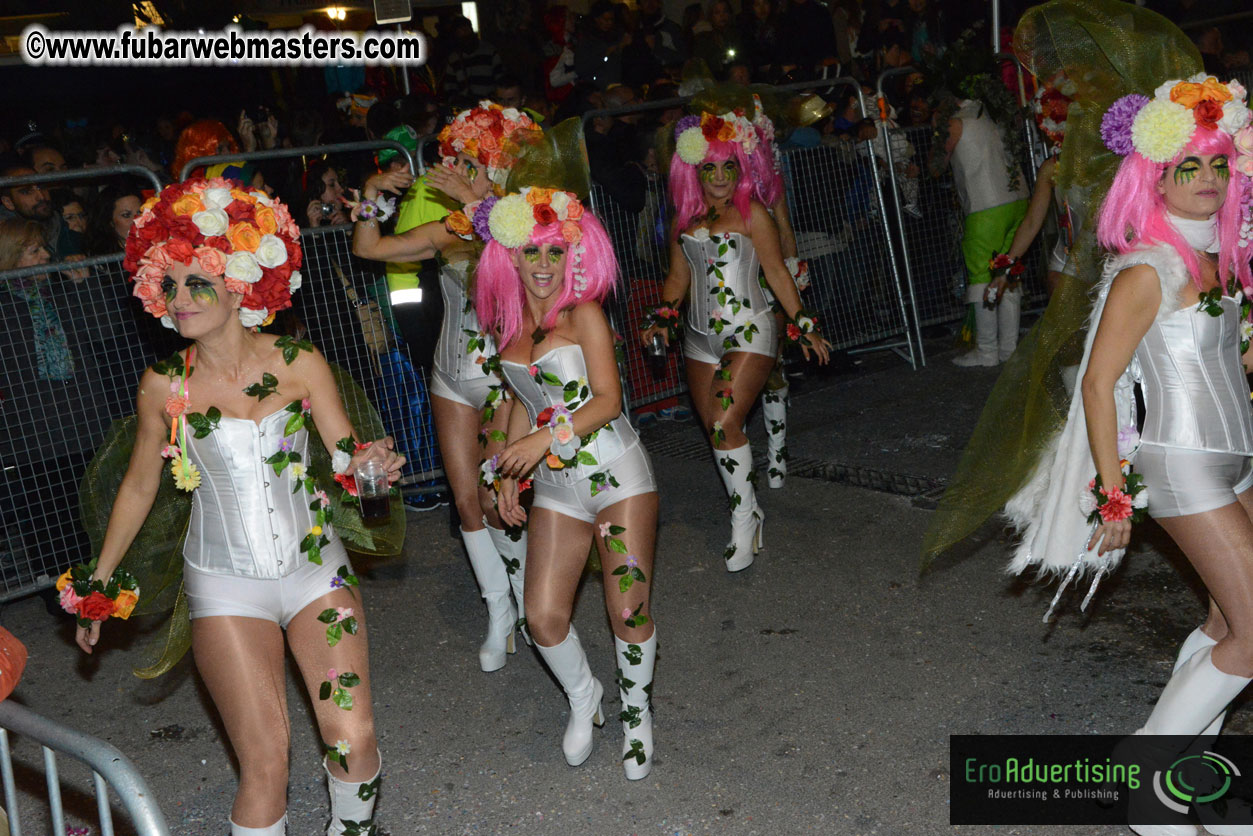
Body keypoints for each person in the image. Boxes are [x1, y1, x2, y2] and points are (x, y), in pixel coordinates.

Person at [77, 179, 405, 836]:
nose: (180, 300)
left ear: (240, 285)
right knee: (264, 765)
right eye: (167, 286)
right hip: (225, 583)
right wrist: (100, 581)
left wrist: (368, 467)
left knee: (354, 739)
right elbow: (141, 484)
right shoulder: (164, 385)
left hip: (316, 571)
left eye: (197, 282)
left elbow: (345, 456)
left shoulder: (299, 362)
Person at [1003, 72, 1253, 834]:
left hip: (1239, 456)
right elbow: (1097, 384)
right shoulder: (1146, 270)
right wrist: (1112, 497)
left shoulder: (1219, 257)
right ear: (1155, 175)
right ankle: (1147, 781)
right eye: (1188, 168)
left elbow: (1229, 362)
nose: (1207, 181)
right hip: (1181, 464)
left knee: (1224, 623)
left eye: (1217, 165)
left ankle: (1197, 783)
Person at [475, 181, 660, 780]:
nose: (545, 266)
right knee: (542, 619)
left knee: (626, 612)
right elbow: (516, 402)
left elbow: (608, 400)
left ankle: (637, 712)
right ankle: (585, 695)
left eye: (556, 252)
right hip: (557, 489)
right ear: (510, 257)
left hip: (616, 477)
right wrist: (503, 470)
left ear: (574, 255)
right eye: (532, 252)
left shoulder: (584, 314)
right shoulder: (507, 327)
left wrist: (540, 441)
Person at [351, 102, 539, 671]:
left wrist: (473, 200)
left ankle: (533, 605)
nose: (460, 171)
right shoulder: (451, 227)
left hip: (507, 380)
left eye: (475, 165)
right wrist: (371, 192)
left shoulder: (531, 229)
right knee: (465, 502)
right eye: (460, 162)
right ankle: (499, 612)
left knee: (496, 496)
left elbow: (517, 259)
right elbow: (368, 248)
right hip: (452, 374)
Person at [642, 109, 830, 572]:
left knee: (725, 423)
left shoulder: (754, 214)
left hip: (751, 328)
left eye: (730, 167)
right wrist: (661, 318)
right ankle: (751, 507)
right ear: (695, 171)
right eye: (711, 168)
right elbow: (677, 278)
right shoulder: (684, 220)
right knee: (718, 432)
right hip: (698, 339)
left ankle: (743, 519)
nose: (722, 177)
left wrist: (803, 323)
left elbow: (777, 272)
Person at [84, 181, 145, 256]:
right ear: (110, 222)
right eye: (126, 215)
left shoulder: (158, 245)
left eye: (140, 212)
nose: (137, 220)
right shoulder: (98, 260)